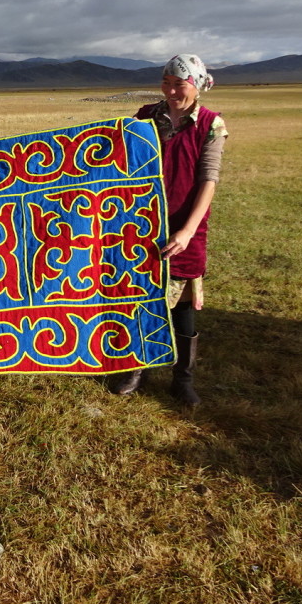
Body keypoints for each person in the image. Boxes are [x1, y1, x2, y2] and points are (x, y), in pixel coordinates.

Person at [113, 54, 227, 405]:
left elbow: (209, 179)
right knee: (140, 294)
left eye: (180, 84)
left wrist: (188, 231)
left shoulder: (210, 124)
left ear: (197, 85)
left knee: (182, 306)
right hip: (143, 221)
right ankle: (138, 369)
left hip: (185, 223)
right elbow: (120, 160)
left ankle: (183, 379)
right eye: (166, 83)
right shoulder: (146, 116)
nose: (172, 90)